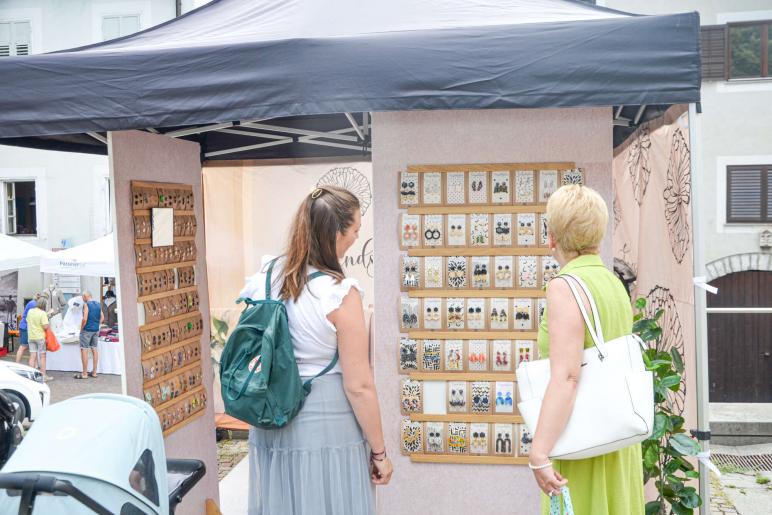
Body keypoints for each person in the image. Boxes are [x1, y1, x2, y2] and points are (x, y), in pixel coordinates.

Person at [241, 186, 392, 515]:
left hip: (271, 419)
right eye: (355, 229)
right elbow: (359, 386)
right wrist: (379, 452)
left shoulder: (265, 277)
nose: (356, 236)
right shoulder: (338, 293)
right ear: (336, 232)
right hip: (326, 424)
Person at [529, 185, 644, 514]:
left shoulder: (564, 286)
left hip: (581, 436)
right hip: (616, 435)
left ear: (552, 237)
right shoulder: (611, 282)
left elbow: (566, 376)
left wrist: (539, 452)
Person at [75, 291, 103, 379]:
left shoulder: (86, 305)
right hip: (95, 330)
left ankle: (84, 373)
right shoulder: (98, 304)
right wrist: (96, 324)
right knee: (94, 349)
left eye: (83, 297)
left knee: (84, 350)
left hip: (87, 330)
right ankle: (94, 372)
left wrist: (81, 328)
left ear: (85, 296)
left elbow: (84, 319)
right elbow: (102, 318)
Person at [25, 297, 51, 382]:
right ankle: (43, 376)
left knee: (32, 356)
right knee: (42, 356)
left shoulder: (30, 311)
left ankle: (31, 376)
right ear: (44, 305)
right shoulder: (43, 313)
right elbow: (45, 326)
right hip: (40, 337)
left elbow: (28, 321)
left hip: (31, 337)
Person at [15, 295, 39, 363]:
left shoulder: (33, 303)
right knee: (23, 346)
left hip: (25, 326)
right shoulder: (33, 304)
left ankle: (35, 366)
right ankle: (17, 364)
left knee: (30, 348)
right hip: (25, 327)